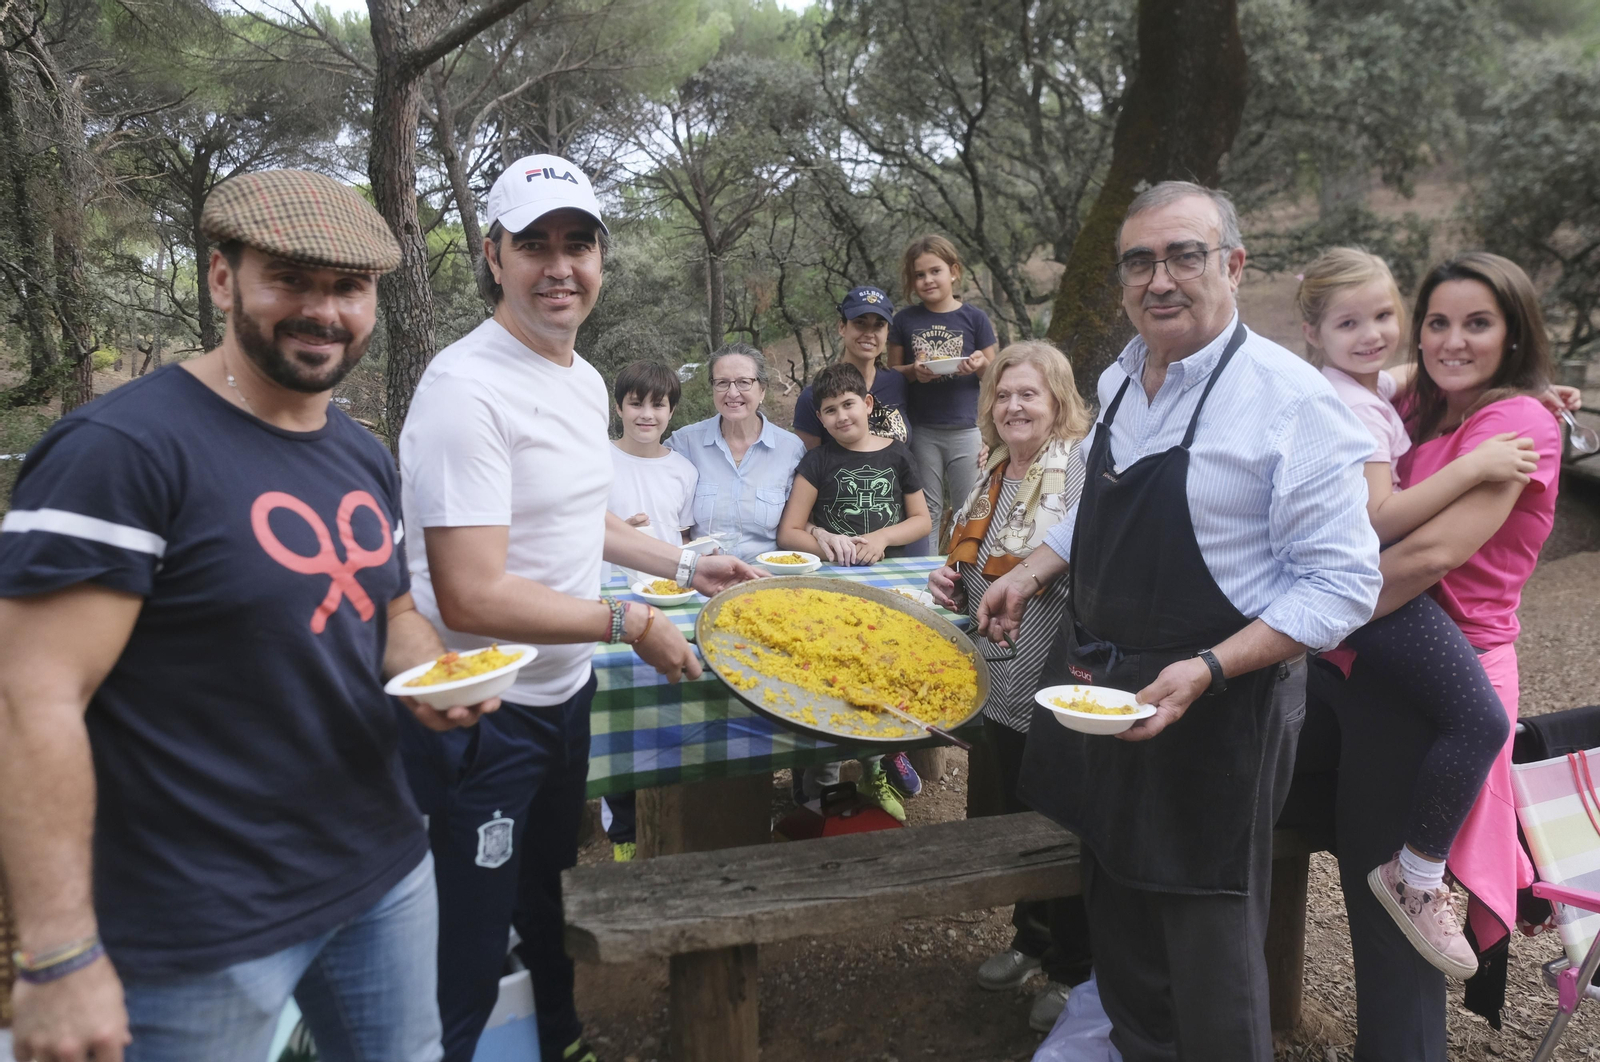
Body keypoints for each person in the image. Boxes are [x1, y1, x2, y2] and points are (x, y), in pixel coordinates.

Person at [0, 170, 497, 1062]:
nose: (323, 310)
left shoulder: (359, 453)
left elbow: (388, 610)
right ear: (222, 279)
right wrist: (59, 953)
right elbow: (27, 701)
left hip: (380, 871)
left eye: (347, 287)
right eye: (290, 280)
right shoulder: (119, 454)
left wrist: (428, 679)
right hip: (194, 915)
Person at [976, 181, 1381, 1061]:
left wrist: (1210, 666)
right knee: (1117, 900)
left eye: (1184, 255)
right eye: (1139, 261)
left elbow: (1342, 585)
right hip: (1106, 692)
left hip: (1222, 706)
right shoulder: (1120, 380)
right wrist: (1035, 569)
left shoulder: (1291, 402)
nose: (1160, 279)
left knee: (1207, 941)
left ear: (1232, 265)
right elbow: (1088, 508)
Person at [395, 154, 760, 1062]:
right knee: (468, 936)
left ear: (602, 258)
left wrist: (683, 561)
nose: (560, 266)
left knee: (549, 893)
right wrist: (629, 622)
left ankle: (556, 1041)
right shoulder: (464, 391)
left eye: (578, 243)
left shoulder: (580, 376)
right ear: (493, 255)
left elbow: (574, 518)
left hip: (561, 697)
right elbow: (467, 589)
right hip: (479, 712)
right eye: (535, 244)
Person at [1312, 252, 1564, 1060]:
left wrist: (1307, 617)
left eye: (1479, 324)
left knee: (1396, 906)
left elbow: (1425, 558)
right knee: (1361, 869)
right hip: (1384, 650)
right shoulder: (1425, 405)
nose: (1452, 340)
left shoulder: (1514, 425)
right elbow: (1360, 376)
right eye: (1438, 323)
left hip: (1434, 661)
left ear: (1515, 331)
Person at [926, 340, 1094, 1033]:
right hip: (996, 673)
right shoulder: (993, 467)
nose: (1015, 406)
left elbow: (1076, 558)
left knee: (1060, 821)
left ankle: (1076, 968)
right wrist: (948, 576)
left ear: (1059, 401)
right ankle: (1030, 941)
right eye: (1003, 394)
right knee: (1015, 813)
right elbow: (973, 558)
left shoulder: (1078, 469)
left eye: (1030, 394)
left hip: (1051, 673)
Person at [776, 362, 932, 819]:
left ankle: (875, 764)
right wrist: (829, 546)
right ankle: (816, 787)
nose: (841, 416)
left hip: (886, 588)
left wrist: (883, 538)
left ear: (867, 404)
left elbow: (921, 519)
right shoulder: (818, 460)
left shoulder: (899, 454)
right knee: (831, 680)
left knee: (883, 675)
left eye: (849, 405)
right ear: (819, 419)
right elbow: (790, 533)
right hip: (831, 592)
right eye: (829, 410)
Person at [602, 359, 700, 861]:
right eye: (636, 403)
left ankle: (676, 807)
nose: (646, 414)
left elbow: (682, 537)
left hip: (671, 598)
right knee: (619, 706)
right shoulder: (594, 458)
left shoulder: (683, 469)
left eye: (657, 404)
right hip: (609, 600)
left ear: (671, 411)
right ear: (618, 406)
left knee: (668, 694)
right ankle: (621, 829)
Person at [887, 236, 997, 538]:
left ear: (953, 271)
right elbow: (892, 373)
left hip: (966, 430)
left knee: (969, 507)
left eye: (935, 271)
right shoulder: (904, 320)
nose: (927, 280)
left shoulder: (975, 318)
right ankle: (924, 578)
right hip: (922, 431)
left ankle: (965, 577)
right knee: (926, 509)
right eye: (919, 275)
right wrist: (914, 371)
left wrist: (979, 365)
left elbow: (996, 379)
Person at [668, 342, 806, 560]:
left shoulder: (791, 449)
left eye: (744, 382)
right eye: (722, 383)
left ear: (762, 390)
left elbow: (801, 521)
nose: (732, 393)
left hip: (766, 575)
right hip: (704, 574)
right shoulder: (684, 444)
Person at [793, 285, 910, 448]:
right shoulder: (813, 397)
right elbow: (809, 466)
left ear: (887, 332)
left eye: (878, 325)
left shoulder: (897, 382)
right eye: (860, 323)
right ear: (842, 327)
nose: (869, 333)